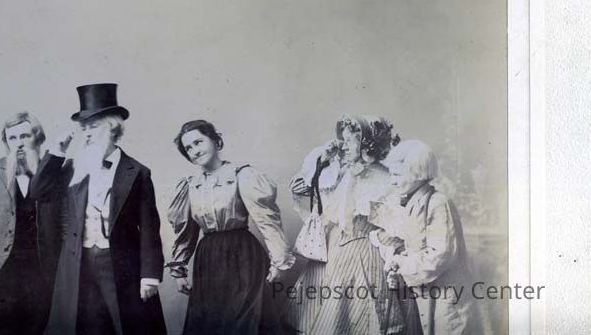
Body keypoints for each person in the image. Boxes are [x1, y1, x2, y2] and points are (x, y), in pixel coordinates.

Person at [30, 83, 167, 335]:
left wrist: (150, 275)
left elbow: (150, 229)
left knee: (127, 327)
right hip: (79, 266)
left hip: (122, 266)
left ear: (112, 128)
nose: (87, 134)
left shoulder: (137, 172)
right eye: (83, 128)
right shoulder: (73, 168)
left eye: (93, 127)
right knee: (87, 327)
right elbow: (39, 191)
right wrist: (57, 150)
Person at [288, 115, 421, 335]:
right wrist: (324, 161)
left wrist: (383, 242)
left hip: (366, 254)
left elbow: (399, 224)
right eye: (343, 140)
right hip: (333, 249)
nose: (343, 146)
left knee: (357, 317)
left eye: (350, 141)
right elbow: (298, 187)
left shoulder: (386, 177)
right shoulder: (339, 171)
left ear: (367, 144)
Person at [167, 119, 295, 334]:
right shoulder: (190, 186)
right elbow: (186, 234)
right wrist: (178, 270)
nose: (195, 151)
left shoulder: (241, 175)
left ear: (215, 141)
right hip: (208, 261)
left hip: (243, 256)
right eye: (188, 148)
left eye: (198, 142)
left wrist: (279, 261)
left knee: (246, 321)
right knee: (213, 323)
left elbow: (267, 221)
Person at [0, 112, 64, 335]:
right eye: (12, 138)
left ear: (38, 138)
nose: (18, 144)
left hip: (40, 277)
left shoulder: (54, 175)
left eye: (24, 136)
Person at [372, 140, 480, 335]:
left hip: (448, 297)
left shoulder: (438, 203)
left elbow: (440, 255)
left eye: (397, 175)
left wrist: (401, 264)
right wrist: (398, 265)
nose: (392, 181)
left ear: (416, 173)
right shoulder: (414, 203)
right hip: (429, 294)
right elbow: (417, 247)